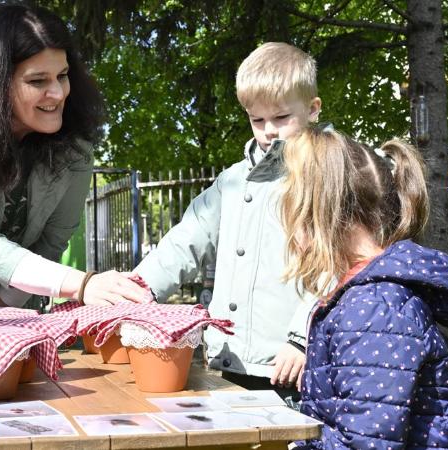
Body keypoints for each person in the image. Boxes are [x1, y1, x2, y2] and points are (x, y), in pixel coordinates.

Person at [0, 3, 151, 335]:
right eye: (38, 80)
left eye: (62, 76)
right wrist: (81, 284)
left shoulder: (75, 146)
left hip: (16, 305)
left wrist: (2, 310)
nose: (58, 93)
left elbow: (53, 239)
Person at [280, 128, 448, 449]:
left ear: (321, 216)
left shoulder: (373, 308)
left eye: (294, 215)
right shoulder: (371, 295)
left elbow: (366, 443)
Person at [135, 42, 321, 397]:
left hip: (291, 363)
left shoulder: (324, 175)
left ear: (312, 109)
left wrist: (301, 337)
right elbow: (185, 241)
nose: (269, 130)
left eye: (282, 118)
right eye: (257, 119)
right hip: (228, 358)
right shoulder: (232, 181)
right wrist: (136, 291)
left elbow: (336, 266)